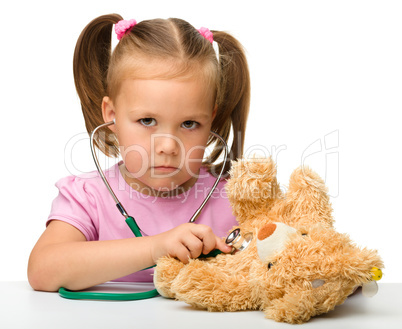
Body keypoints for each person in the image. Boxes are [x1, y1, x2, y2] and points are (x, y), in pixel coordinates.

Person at [28, 14, 250, 292]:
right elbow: (42, 270)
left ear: (211, 121)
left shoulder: (236, 199)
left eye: (190, 124)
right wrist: (155, 247)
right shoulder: (88, 198)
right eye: (147, 121)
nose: (168, 146)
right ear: (112, 116)